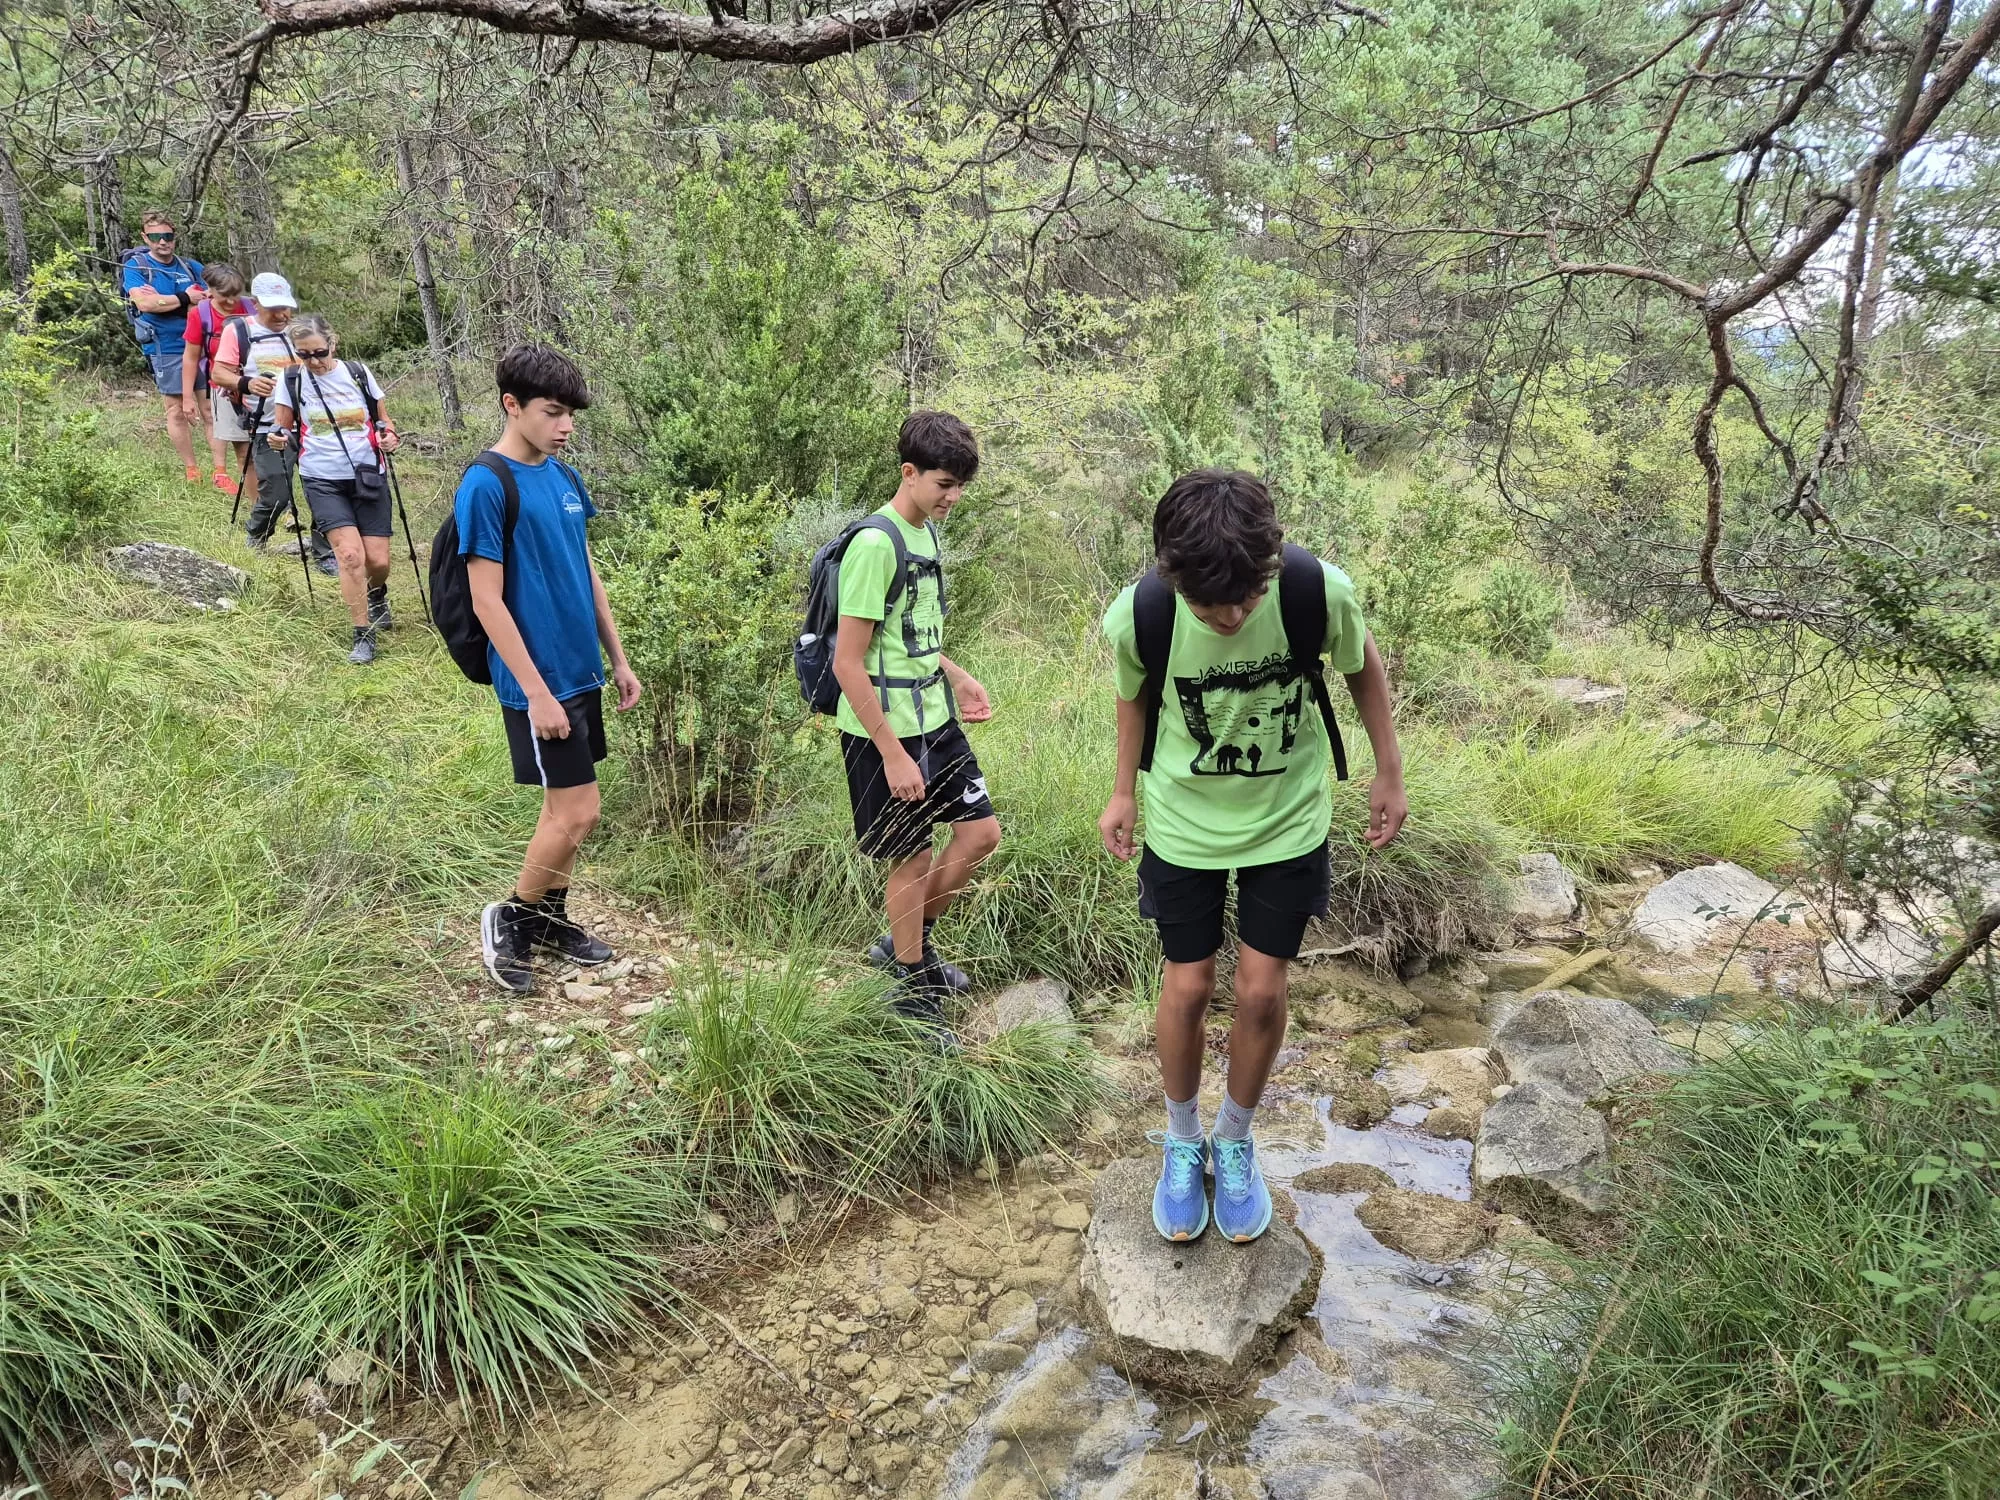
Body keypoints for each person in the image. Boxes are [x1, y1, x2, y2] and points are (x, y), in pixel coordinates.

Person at [1098, 469, 1407, 1245]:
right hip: (1183, 821)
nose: (1231, 616)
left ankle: (1233, 1140)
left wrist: (1388, 769)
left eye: (1246, 600)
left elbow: (1361, 662)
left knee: (1262, 992)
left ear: (1269, 570)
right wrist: (1122, 792)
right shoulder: (1142, 613)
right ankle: (1181, 1139)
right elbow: (1134, 694)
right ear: (1174, 578)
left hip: (1287, 819)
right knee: (1190, 982)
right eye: (1211, 606)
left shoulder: (1313, 590)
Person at [456, 345, 642, 995]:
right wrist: (535, 692)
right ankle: (509, 917)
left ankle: (549, 918)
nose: (564, 426)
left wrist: (616, 657)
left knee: (566, 810)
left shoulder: (563, 478)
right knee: (579, 813)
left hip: (580, 671)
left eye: (570, 416)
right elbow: (485, 598)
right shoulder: (486, 482)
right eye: (552, 413)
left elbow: (583, 569)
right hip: (537, 682)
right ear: (512, 405)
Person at [831, 410, 1000, 1031]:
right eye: (944, 485)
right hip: (884, 731)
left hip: (934, 713)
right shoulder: (876, 544)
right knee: (909, 855)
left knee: (981, 834)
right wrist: (893, 754)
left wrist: (956, 673)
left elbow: (905, 634)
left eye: (961, 487)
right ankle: (910, 979)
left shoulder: (926, 530)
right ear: (909, 473)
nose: (953, 498)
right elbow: (848, 662)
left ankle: (908, 944)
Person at [268, 313, 403, 665]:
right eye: (304, 355)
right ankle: (363, 634)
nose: (313, 361)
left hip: (367, 473)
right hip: (321, 477)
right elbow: (282, 428)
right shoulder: (291, 379)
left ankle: (377, 594)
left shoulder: (357, 373)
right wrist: (277, 439)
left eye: (319, 352)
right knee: (350, 556)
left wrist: (389, 437)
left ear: (333, 342)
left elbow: (383, 420)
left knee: (377, 560)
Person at [212, 272, 333, 573]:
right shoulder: (239, 330)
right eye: (273, 307)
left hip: (309, 423)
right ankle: (257, 534)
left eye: (285, 307)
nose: (282, 314)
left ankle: (324, 552)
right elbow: (219, 374)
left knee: (322, 488)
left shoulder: (299, 331)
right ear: (255, 304)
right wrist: (247, 383)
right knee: (277, 491)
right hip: (267, 425)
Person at [118, 209, 208, 482]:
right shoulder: (137, 267)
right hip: (164, 346)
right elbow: (145, 304)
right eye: (156, 236)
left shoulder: (190, 267)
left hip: (200, 344)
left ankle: (220, 469)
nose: (162, 242)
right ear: (145, 237)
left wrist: (166, 301)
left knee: (209, 408)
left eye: (167, 236)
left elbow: (208, 299)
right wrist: (184, 297)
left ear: (174, 236)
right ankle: (192, 469)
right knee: (176, 408)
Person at [180, 263, 256, 498]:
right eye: (225, 296)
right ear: (210, 290)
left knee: (266, 448)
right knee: (244, 451)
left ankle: (276, 500)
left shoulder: (252, 309)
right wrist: (186, 398)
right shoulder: (200, 314)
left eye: (237, 294)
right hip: (225, 390)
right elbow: (191, 358)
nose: (232, 302)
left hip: (259, 387)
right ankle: (258, 504)